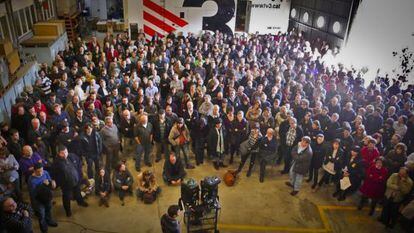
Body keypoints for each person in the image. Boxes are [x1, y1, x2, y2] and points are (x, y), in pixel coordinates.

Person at [51, 145, 88, 217]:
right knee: (66, 197)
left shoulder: (72, 156)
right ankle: (68, 211)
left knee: (78, 193)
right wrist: (55, 181)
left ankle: (80, 202)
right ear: (58, 153)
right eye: (62, 153)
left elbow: (79, 162)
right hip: (66, 185)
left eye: (66, 152)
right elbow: (54, 173)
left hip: (76, 180)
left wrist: (80, 174)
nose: (65, 154)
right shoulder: (56, 163)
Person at [27, 163, 58, 233]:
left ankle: (49, 220)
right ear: (34, 171)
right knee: (41, 214)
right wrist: (43, 185)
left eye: (41, 170)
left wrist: (52, 183)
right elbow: (33, 194)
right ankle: (43, 226)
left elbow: (50, 181)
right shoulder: (31, 180)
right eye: (38, 171)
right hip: (39, 200)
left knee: (49, 210)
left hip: (47, 197)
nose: (41, 173)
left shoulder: (45, 173)